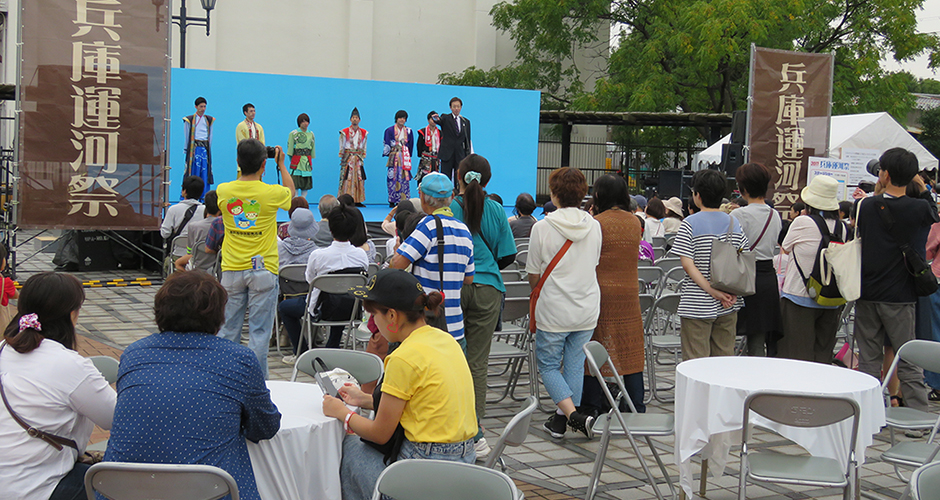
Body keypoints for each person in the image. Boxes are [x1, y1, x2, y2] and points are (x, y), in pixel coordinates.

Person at [104, 271, 280, 500]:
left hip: (122, 490)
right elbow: (265, 427)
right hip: (207, 492)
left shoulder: (134, 353)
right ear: (219, 315)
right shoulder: (239, 358)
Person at [323, 269, 476, 500]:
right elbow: (424, 405)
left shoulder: (402, 358)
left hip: (421, 472)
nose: (373, 323)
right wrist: (364, 399)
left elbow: (380, 434)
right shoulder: (446, 339)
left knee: (348, 449)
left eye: (374, 316)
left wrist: (342, 413)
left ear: (392, 316)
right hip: (465, 465)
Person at [0, 272, 114, 500]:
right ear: (71, 314)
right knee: (123, 486)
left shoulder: (3, 348)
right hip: (36, 487)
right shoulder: (70, 365)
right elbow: (115, 417)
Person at [855, 147, 938, 415]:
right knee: (908, 358)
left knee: (869, 359)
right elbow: (933, 211)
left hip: (868, 292)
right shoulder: (919, 209)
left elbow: (878, 204)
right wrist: (921, 186)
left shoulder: (866, 206)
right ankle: (918, 416)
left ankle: (866, 414)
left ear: (885, 174)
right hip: (901, 296)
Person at [450, 154, 517, 457]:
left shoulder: (448, 209)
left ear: (459, 177)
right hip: (489, 288)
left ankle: (448, 423)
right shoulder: (496, 210)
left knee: (449, 357)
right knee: (477, 364)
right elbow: (507, 255)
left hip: (453, 288)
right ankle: (475, 433)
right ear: (487, 181)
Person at [527, 167, 601, 439]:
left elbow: (533, 273)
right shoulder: (595, 226)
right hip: (587, 306)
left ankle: (572, 416)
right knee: (574, 363)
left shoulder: (542, 227)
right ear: (583, 194)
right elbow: (594, 263)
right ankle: (560, 421)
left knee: (548, 365)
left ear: (553, 194)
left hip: (554, 309)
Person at [216, 139, 295, 376]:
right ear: (264, 164)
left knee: (229, 331)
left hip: (231, 269)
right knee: (259, 334)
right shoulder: (271, 193)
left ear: (238, 162)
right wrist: (281, 165)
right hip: (263, 270)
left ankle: (226, 381)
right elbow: (291, 194)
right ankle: (258, 385)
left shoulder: (223, 190)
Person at [580, 174, 646, 417]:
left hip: (600, 293)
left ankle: (591, 406)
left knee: (594, 348)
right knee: (631, 348)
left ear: (598, 195)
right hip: (629, 294)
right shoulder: (634, 222)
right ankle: (636, 404)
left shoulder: (595, 223)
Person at [390, 172, 475, 347]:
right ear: (451, 196)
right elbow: (468, 278)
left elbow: (397, 265)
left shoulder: (427, 226)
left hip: (428, 327)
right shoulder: (464, 230)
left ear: (422, 197)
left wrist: (397, 251)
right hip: (456, 328)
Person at [671, 169, 748, 360]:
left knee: (696, 361)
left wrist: (712, 291)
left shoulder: (689, 223)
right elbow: (743, 257)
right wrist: (725, 294)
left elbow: (688, 265)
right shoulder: (733, 222)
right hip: (729, 302)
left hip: (696, 303)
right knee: (723, 360)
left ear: (697, 196)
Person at [778, 175, 847, 362]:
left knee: (796, 355)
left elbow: (785, 247)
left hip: (799, 297)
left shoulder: (802, 222)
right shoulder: (843, 228)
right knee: (823, 355)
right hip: (831, 299)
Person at [731, 163, 782, 357]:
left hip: (742, 275)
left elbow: (732, 246)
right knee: (758, 339)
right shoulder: (774, 214)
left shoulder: (738, 214)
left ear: (743, 188)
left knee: (730, 332)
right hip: (767, 277)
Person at [174, 190, 221, 273]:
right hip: (217, 264)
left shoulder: (194, 226)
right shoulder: (225, 225)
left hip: (198, 264)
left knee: (177, 263)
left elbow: (190, 251)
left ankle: (189, 279)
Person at [160, 175, 206, 255]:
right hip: (200, 257)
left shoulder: (173, 209)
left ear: (184, 191)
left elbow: (165, 233)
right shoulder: (206, 210)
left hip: (178, 254)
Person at [432, 97, 471, 182]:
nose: (456, 109)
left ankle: (458, 194)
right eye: (454, 106)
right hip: (447, 154)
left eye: (458, 106)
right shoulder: (445, 118)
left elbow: (467, 139)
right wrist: (435, 119)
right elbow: (439, 121)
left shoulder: (466, 122)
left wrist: (467, 155)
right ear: (450, 107)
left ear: (461, 107)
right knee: (445, 178)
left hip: (460, 155)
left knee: (459, 178)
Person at [182, 96, 214, 200]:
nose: (203, 109)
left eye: (205, 106)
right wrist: (186, 149)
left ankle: (204, 196)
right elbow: (187, 135)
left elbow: (210, 136)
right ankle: (191, 195)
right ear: (196, 107)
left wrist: (209, 148)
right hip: (194, 148)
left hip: (204, 149)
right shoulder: (190, 119)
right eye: (201, 106)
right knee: (193, 170)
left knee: (204, 171)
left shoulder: (209, 120)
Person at [383, 110, 415, 207]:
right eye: (400, 118)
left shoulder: (409, 131)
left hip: (404, 156)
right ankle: (392, 199)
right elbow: (387, 143)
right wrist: (388, 153)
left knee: (404, 177)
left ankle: (403, 199)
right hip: (394, 155)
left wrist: (408, 155)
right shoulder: (389, 130)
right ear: (396, 119)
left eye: (404, 118)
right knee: (392, 176)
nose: (402, 120)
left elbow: (411, 144)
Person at [339, 107, 368, 205]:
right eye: (353, 117)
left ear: (359, 120)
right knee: (347, 178)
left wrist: (363, 155)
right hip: (349, 158)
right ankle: (346, 200)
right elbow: (342, 145)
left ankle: (358, 200)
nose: (355, 119)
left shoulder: (364, 132)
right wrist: (342, 156)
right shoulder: (344, 132)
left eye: (356, 117)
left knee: (359, 179)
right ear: (350, 119)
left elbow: (364, 145)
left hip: (358, 158)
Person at [286, 113, 315, 198]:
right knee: (295, 181)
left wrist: (311, 159)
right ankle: (295, 200)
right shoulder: (293, 133)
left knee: (305, 183)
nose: (305, 123)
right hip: (297, 160)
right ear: (299, 123)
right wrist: (291, 158)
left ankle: (303, 200)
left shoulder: (311, 134)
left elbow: (312, 147)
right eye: (303, 121)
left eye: (307, 121)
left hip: (306, 161)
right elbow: (290, 147)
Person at [235, 103, 265, 179]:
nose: (253, 113)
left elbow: (262, 141)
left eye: (254, 111)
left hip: (257, 157)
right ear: (245, 113)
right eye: (251, 111)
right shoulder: (241, 126)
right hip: (246, 156)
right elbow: (242, 142)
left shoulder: (258, 127)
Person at [415, 111, 441, 186]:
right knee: (423, 179)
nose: (434, 121)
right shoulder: (422, 132)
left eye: (436, 119)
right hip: (426, 159)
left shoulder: (440, 133)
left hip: (436, 159)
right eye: (432, 119)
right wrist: (422, 155)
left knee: (435, 179)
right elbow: (419, 145)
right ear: (428, 120)